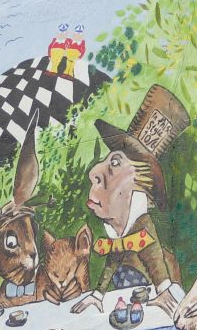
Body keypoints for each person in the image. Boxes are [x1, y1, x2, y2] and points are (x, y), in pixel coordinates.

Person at [71, 86, 189, 315]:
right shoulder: (120, 229)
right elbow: (115, 256)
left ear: (138, 184)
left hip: (147, 292)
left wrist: (163, 290)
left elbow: (153, 256)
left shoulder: (142, 225)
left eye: (115, 163)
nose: (94, 173)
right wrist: (97, 294)